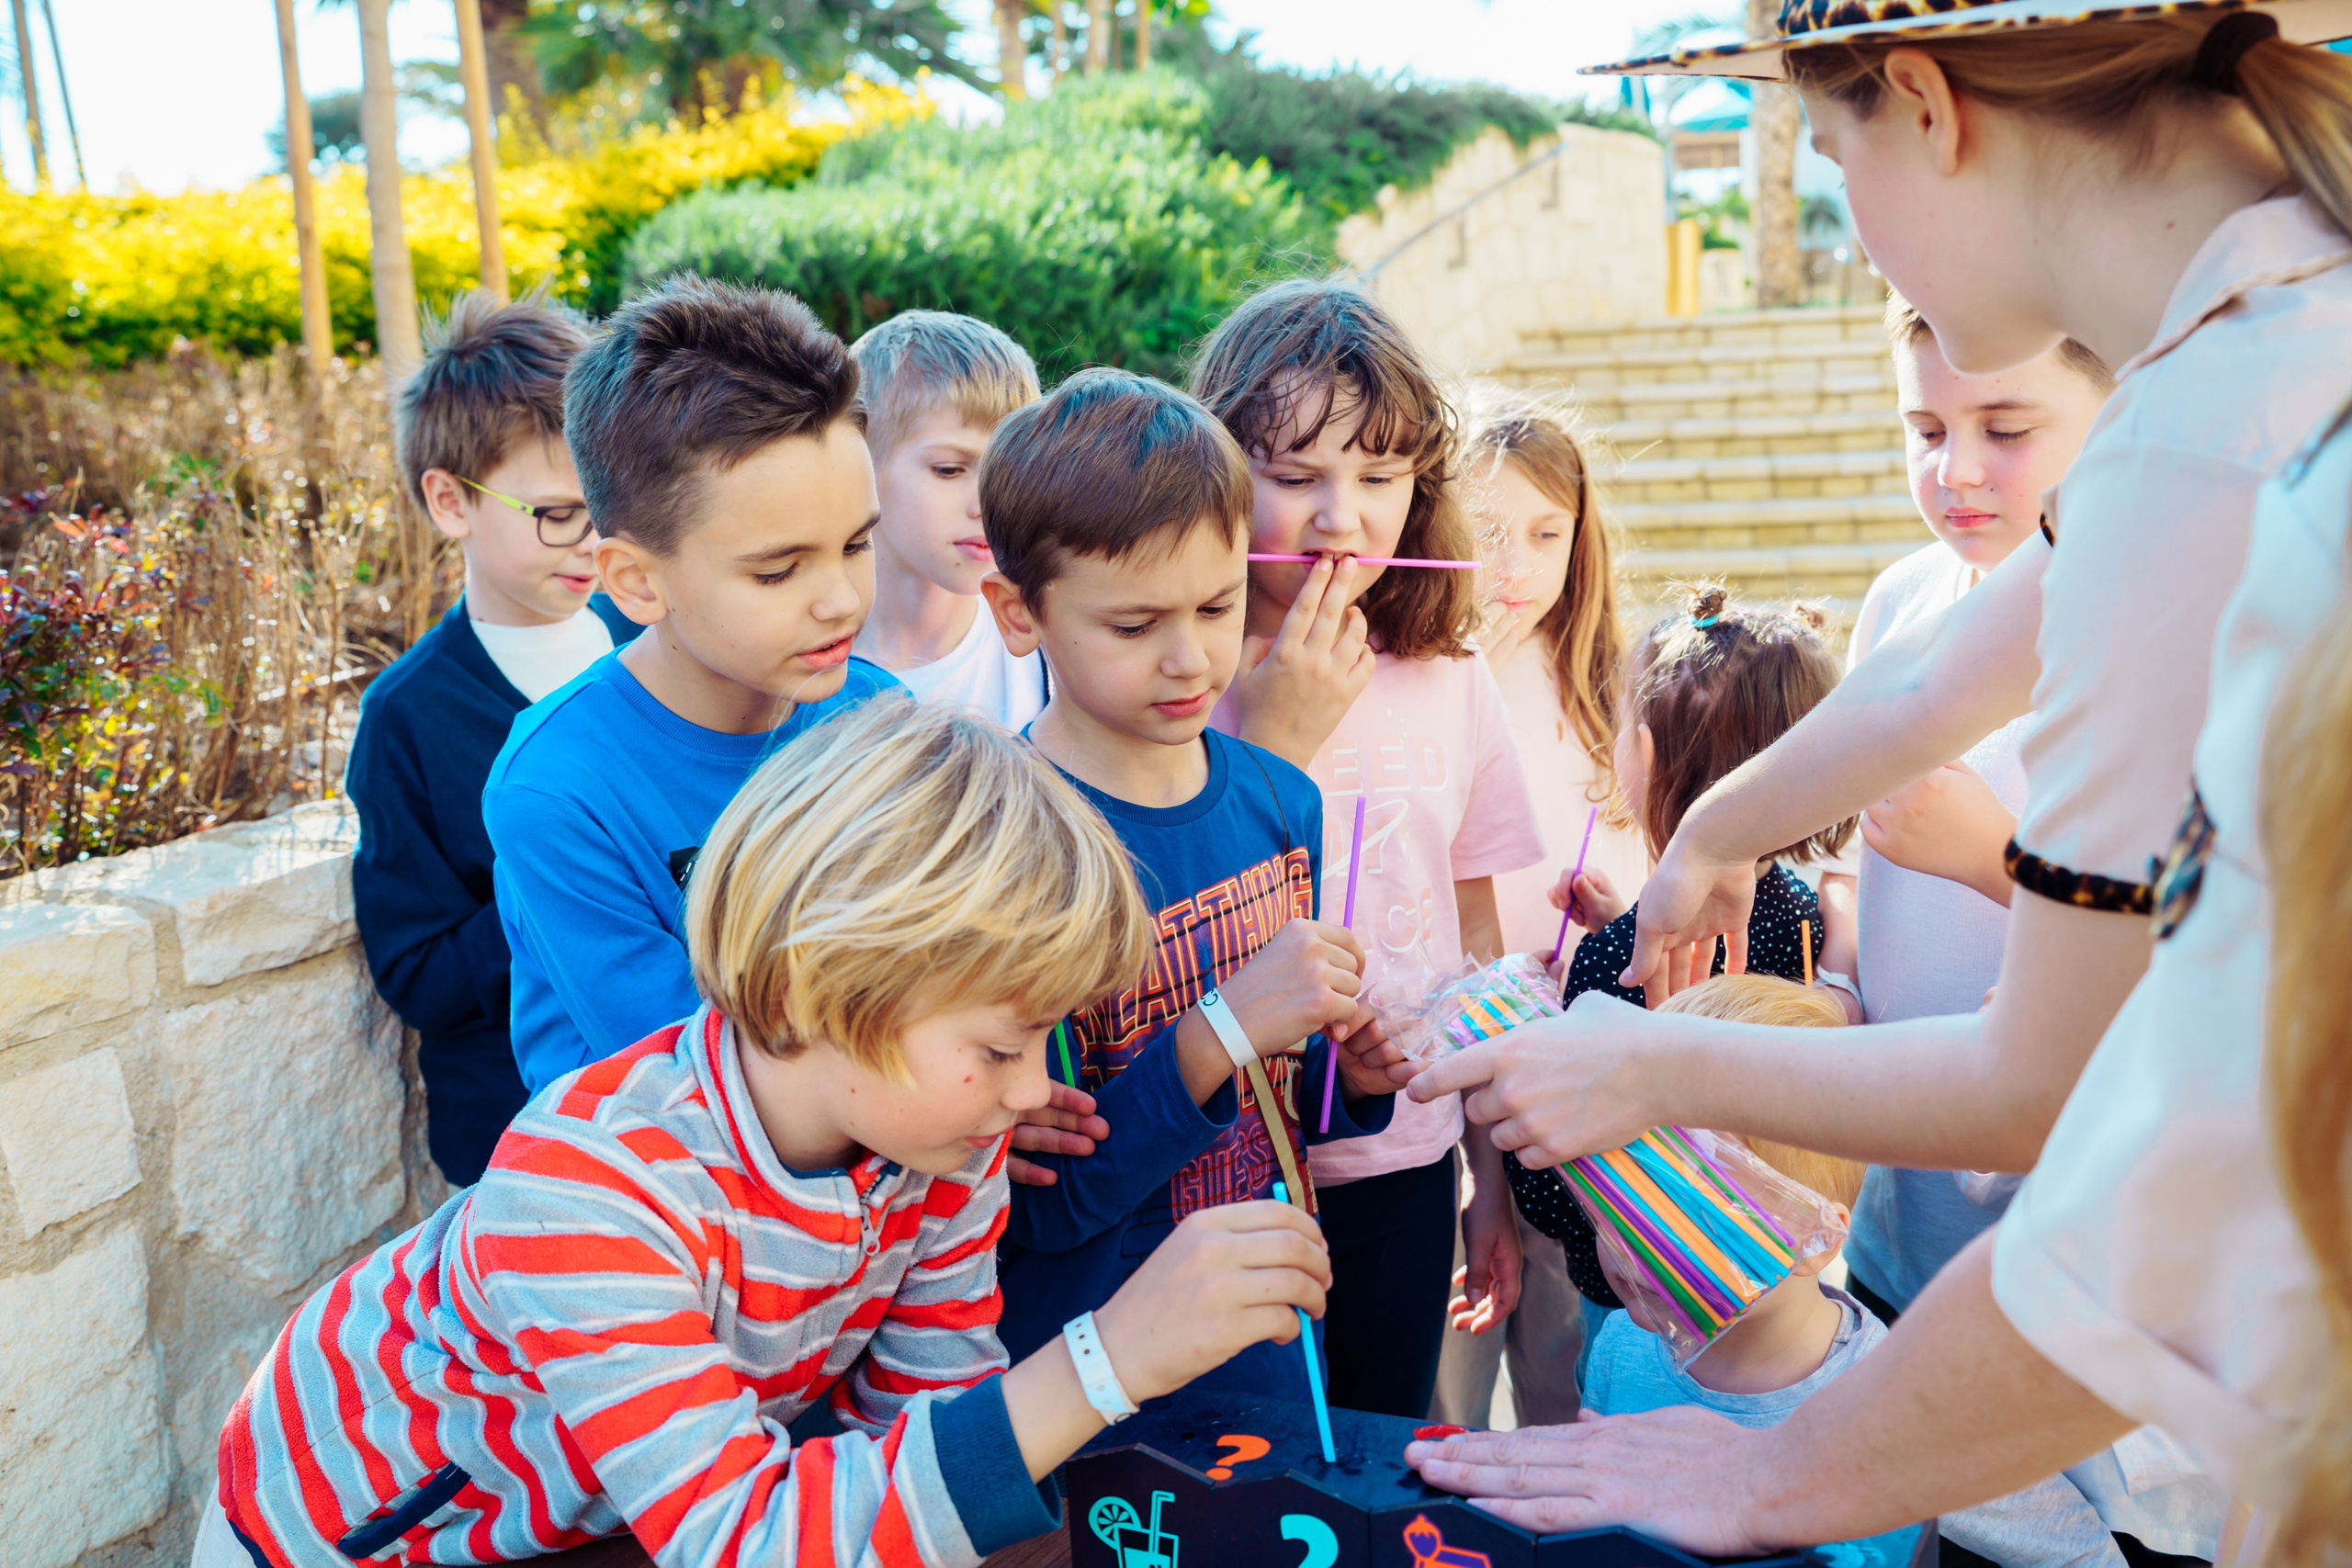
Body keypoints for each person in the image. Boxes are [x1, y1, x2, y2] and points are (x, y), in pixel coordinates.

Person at [1400, 0, 2352, 1549]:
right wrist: (1719, 826)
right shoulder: (2256, 351)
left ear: (1925, 104)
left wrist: (1636, 1069)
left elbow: (2044, 1093)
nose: (1862, 227)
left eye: (1832, 152)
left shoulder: (2213, 438)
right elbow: (1952, 669)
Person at [193, 698, 1341, 1568]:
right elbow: (741, 1541)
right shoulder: (584, 1189)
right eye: (998, 1048)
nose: (1030, 1090)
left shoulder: (939, 1146)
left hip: (600, 1515)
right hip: (349, 1539)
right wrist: (1110, 1357)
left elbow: (921, 1438)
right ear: (806, 996)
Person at [977, 367, 1408, 1407]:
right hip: (1090, 1372)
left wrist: (1355, 1079)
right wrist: (1223, 1022)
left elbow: (1283, 1107)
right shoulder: (995, 844)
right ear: (1016, 611)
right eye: (1131, 627)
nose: (1187, 659)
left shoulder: (1277, 799)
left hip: (1266, 1343)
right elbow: (1044, 1200)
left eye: (1216, 606)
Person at [1196, 279, 1548, 1421]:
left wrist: (1486, 1186)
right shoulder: (1172, 673)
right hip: (1219, 1177)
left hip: (1405, 1161)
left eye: (1380, 479)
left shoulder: (1451, 678)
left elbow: (1478, 948)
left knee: (1377, 1463)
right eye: (1294, 478)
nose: (1340, 517)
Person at [482, 277, 898, 1093]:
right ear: (635, 582)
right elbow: (691, 1076)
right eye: (778, 571)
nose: (842, 600)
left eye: (856, 545)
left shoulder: (881, 719)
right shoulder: (558, 790)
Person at [1588, 977, 2126, 1568]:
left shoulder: (1899, 1404)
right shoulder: (1620, 1344)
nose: (1627, 1246)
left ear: (1817, 1237)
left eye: (1686, 1212)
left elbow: (2078, 1553)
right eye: (1618, 1194)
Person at [348, 289, 640, 1186]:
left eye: (607, 502)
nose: (590, 541)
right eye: (555, 513)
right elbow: (418, 971)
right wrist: (559, 875)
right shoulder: (408, 715)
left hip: (692, 1110)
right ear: (449, 502)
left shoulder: (663, 645)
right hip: (530, 1148)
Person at [1503, 583, 1854, 1314]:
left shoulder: (1620, 961)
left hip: (1650, 1306)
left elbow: (1551, 1184)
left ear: (1646, 753)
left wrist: (1526, 1028)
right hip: (1784, 1293)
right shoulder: (1804, 921)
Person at [1428, 389, 1649, 1429]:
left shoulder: (1620, 693)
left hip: (1582, 1095)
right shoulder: (1424, 685)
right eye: (1483, 532)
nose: (1512, 564)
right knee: (1446, 1390)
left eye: (1543, 533)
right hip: (1446, 1097)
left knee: (1569, 1371)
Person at [849, 310, 1050, 728]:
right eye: (949, 469)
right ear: (860, 462)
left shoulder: (1048, 654)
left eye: (1006, 469)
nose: (986, 503)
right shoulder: (796, 666)